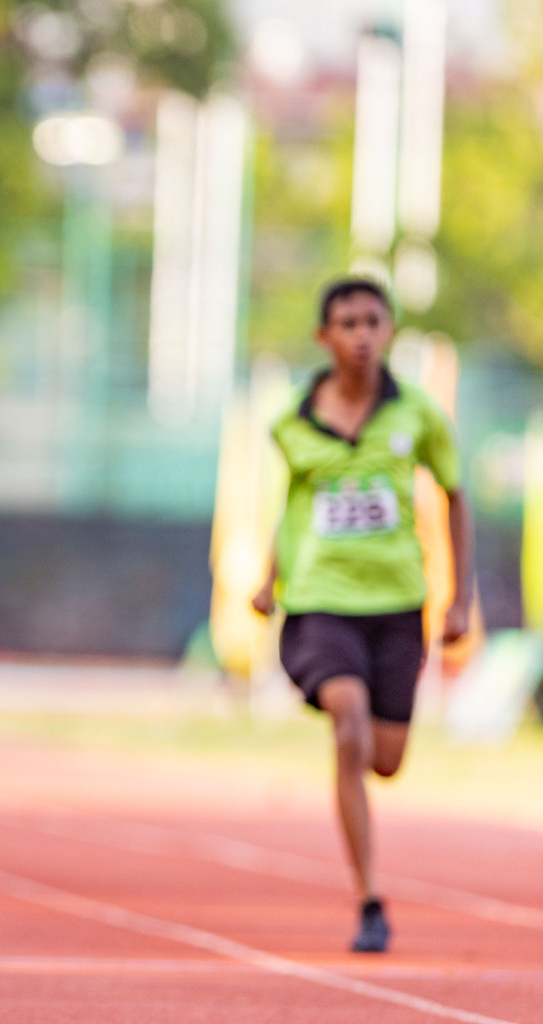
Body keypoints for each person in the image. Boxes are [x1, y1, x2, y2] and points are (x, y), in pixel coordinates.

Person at [252, 277, 473, 954]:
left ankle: (355, 711)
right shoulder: (293, 423)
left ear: (391, 332)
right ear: (324, 337)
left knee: (385, 759)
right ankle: (370, 898)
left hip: (399, 603)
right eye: (347, 323)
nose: (362, 335)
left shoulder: (420, 416)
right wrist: (269, 579)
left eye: (373, 321)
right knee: (348, 726)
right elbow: (290, 502)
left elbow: (455, 497)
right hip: (322, 601)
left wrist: (459, 596)